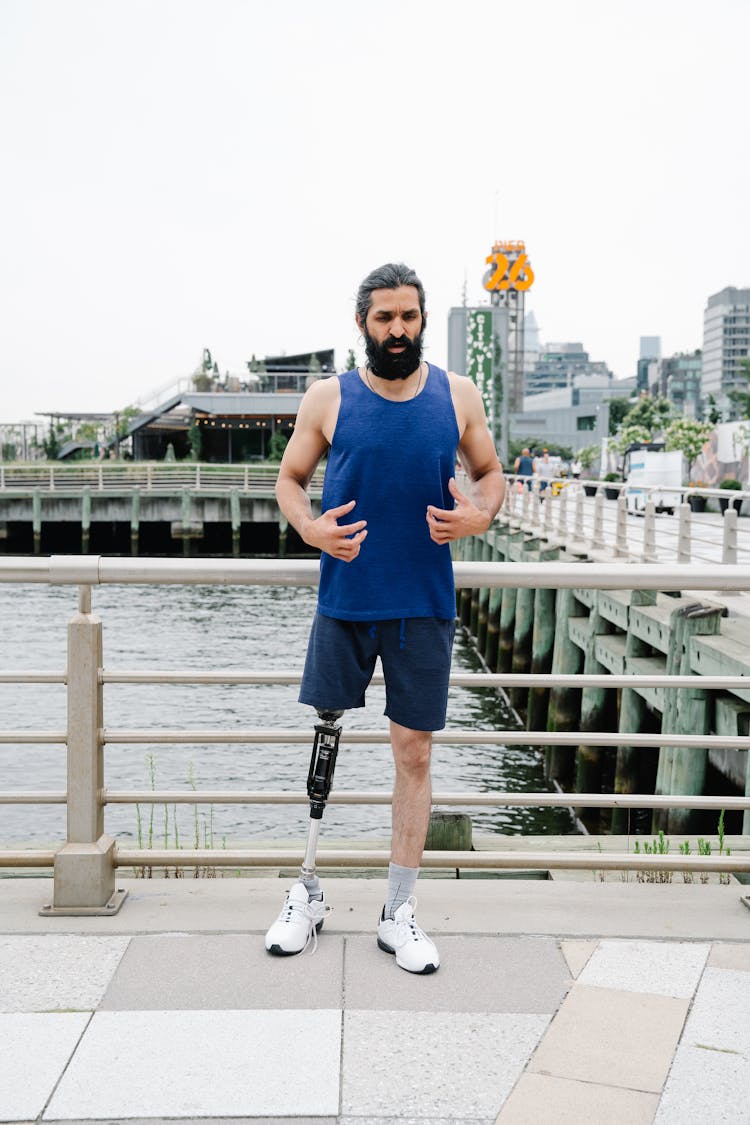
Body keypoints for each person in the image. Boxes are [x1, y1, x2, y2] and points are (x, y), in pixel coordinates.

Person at [266, 262, 505, 973]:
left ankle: (398, 909)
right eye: (383, 318)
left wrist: (479, 515)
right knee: (325, 740)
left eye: (408, 316)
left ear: (422, 319)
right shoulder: (327, 397)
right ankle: (305, 891)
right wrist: (309, 529)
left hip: (423, 603)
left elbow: (491, 475)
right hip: (346, 599)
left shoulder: (457, 395)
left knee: (415, 753)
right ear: (363, 324)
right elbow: (288, 480)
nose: (397, 329)